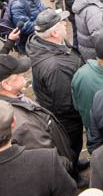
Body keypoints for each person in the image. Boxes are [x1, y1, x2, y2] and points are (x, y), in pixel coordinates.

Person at [0, 54, 75, 172]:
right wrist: (67, 165)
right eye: (18, 74)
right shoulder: (24, 125)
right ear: (6, 85)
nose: (23, 74)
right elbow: (48, 161)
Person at [27, 10, 87, 169]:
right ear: (53, 32)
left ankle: (75, 163)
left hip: (60, 111)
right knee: (70, 145)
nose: (65, 24)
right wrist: (79, 112)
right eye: (61, 23)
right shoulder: (55, 66)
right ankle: (72, 174)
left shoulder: (51, 44)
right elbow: (64, 102)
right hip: (67, 118)